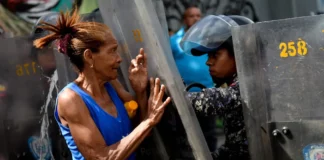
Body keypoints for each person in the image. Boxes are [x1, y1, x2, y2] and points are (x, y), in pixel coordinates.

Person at [33, 10, 171, 160]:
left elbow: (141, 131)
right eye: (112, 51)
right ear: (89, 56)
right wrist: (149, 121)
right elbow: (102, 157)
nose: (119, 59)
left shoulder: (111, 84)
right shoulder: (70, 100)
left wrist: (140, 91)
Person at [181, 15, 254, 160]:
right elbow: (235, 146)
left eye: (215, 55)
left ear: (239, 52)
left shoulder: (252, 84)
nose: (208, 62)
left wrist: (168, 94)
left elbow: (211, 101)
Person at [170, 6, 214, 92]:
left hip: (208, 91)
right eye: (191, 16)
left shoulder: (208, 40)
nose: (196, 19)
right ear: (185, 20)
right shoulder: (173, 41)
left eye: (198, 16)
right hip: (183, 92)